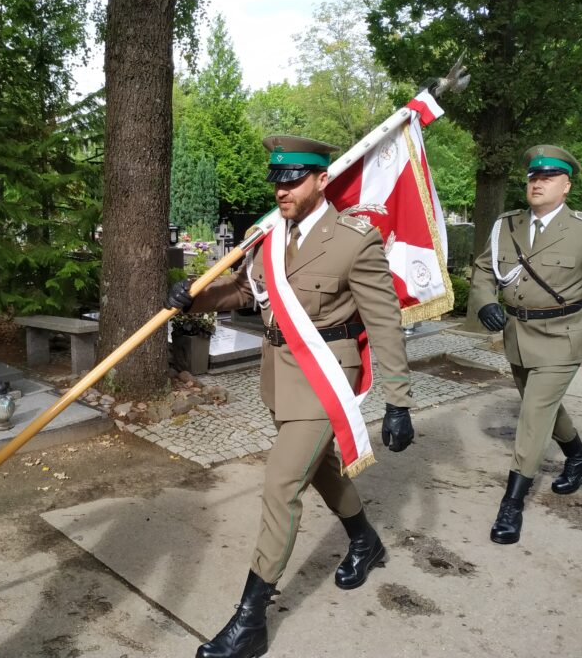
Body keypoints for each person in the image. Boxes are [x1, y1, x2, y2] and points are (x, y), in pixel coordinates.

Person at [167, 135, 415, 658]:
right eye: (276, 180)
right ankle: (366, 542)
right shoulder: (267, 238)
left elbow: (384, 321)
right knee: (320, 467)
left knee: (281, 483)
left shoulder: (354, 239)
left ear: (322, 180)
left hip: (327, 375)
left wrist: (398, 400)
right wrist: (195, 296)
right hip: (280, 373)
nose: (282, 189)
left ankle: (250, 620)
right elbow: (242, 292)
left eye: (294, 179)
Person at [470, 145, 582, 545]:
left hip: (563, 337)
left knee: (533, 415)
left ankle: (511, 504)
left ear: (566, 186)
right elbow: (484, 269)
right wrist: (483, 303)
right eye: (533, 176)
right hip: (518, 334)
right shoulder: (507, 225)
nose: (537, 182)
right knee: (547, 407)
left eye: (548, 177)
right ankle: (580, 457)